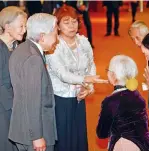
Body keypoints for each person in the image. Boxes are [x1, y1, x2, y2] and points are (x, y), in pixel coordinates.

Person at [46, 5, 108, 151]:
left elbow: (90, 65)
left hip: (79, 96)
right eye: (66, 22)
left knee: (79, 136)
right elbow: (62, 74)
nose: (72, 26)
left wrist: (88, 88)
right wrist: (86, 80)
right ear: (58, 26)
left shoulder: (83, 41)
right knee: (64, 138)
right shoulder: (54, 46)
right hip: (60, 98)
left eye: (74, 21)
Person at [8, 13, 58, 151]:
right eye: (55, 33)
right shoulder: (33, 59)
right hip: (34, 133)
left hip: (23, 128)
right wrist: (36, 136)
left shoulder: (22, 49)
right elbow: (32, 100)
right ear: (42, 36)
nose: (57, 39)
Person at [96, 55, 149, 151]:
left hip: (124, 144)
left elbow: (102, 133)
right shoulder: (137, 96)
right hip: (144, 144)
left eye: (108, 71)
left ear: (114, 75)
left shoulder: (111, 101)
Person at [0, 6, 27, 151]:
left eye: (25, 26)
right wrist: (14, 106)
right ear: (7, 26)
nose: (24, 30)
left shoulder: (16, 46)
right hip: (4, 108)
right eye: (20, 26)